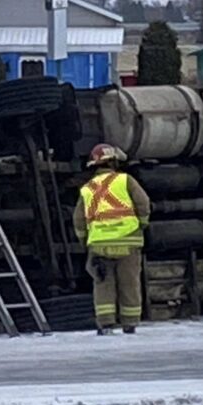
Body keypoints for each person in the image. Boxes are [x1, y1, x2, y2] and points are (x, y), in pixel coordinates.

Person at [73, 143, 151, 335]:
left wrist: (85, 241)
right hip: (128, 242)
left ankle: (106, 324)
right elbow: (143, 203)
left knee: (103, 284)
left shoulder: (87, 189)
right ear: (114, 162)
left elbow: (79, 220)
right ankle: (130, 323)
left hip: (99, 245)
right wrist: (141, 224)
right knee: (129, 283)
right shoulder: (125, 180)